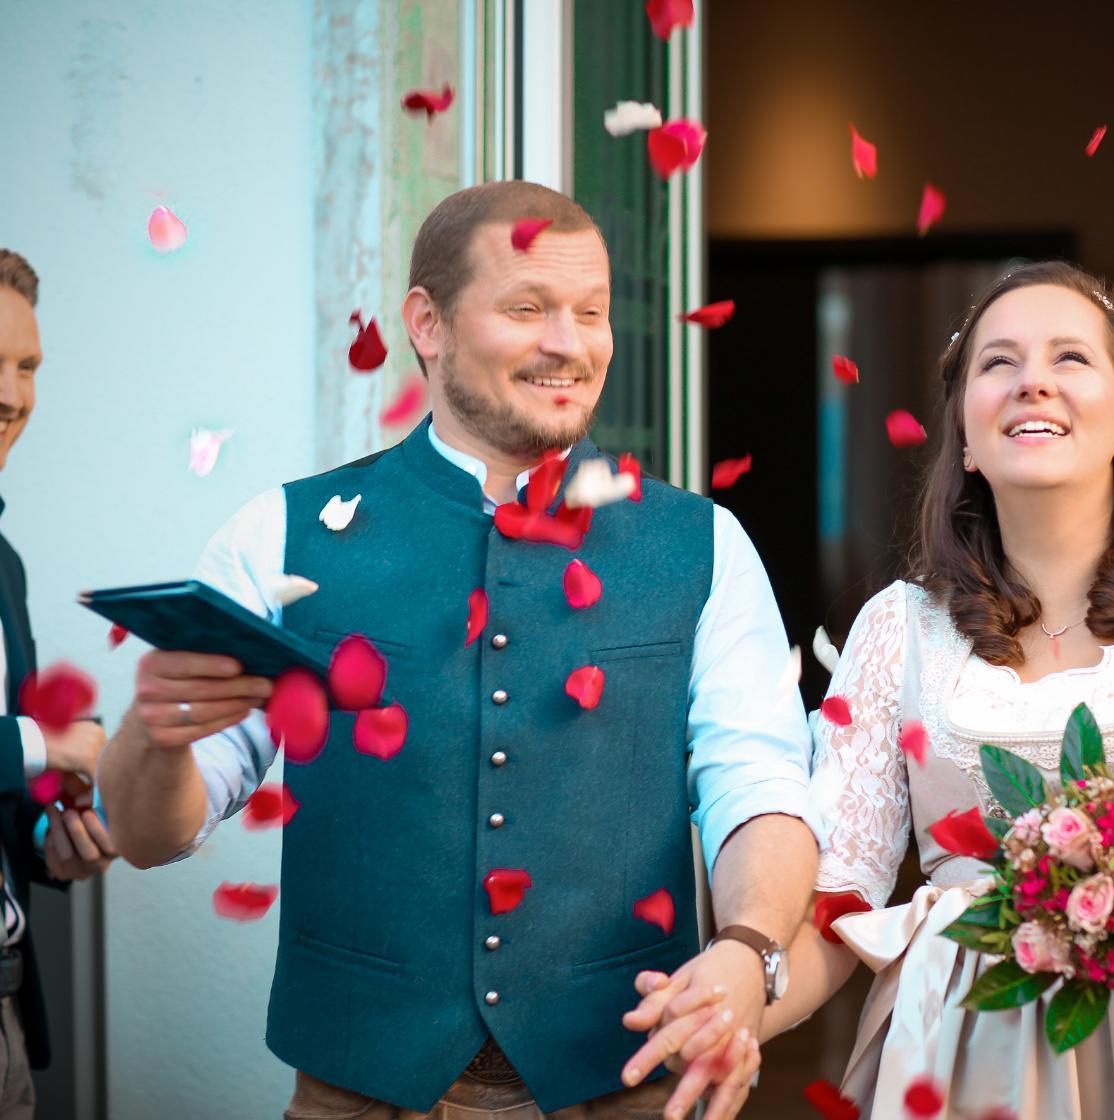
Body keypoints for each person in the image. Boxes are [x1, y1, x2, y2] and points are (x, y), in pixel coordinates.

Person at [97, 183, 819, 1120]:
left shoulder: (705, 545)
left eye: (591, 312)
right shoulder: (279, 537)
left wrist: (749, 944)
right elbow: (153, 834)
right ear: (427, 324)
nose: (570, 341)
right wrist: (151, 738)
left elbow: (756, 785)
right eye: (527, 308)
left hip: (627, 1088)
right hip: (361, 1095)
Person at [637, 261, 1114, 1116]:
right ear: (966, 436)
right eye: (999, 364)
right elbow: (842, 901)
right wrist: (738, 1008)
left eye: (1070, 358)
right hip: (965, 1059)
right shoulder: (897, 629)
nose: (1033, 384)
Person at [0, 248, 120, 1119]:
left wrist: (52, 840)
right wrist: (52, 742)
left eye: (28, 367)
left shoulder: (5, 567)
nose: (12, 396)